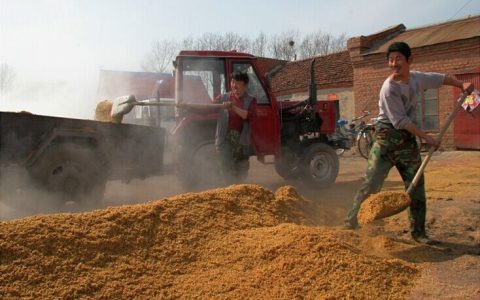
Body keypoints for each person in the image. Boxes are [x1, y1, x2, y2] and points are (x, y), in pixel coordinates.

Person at [344, 41, 474, 244]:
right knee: (370, 184)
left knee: (417, 187)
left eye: (398, 59)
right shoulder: (388, 88)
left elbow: (439, 79)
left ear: (409, 60)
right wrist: (428, 138)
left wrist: (461, 84)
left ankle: (418, 233)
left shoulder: (417, 79)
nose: (394, 63)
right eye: (391, 60)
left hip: (406, 141)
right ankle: (350, 222)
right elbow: (400, 121)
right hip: (386, 140)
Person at [213, 71, 257, 183]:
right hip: (224, 139)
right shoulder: (223, 97)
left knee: (241, 171)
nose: (234, 85)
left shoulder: (251, 100)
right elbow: (208, 107)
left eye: (238, 82)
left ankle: (237, 191)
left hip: (242, 141)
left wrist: (233, 107)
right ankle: (227, 192)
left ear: (245, 85)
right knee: (225, 169)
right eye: (233, 82)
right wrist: (188, 105)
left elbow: (248, 115)